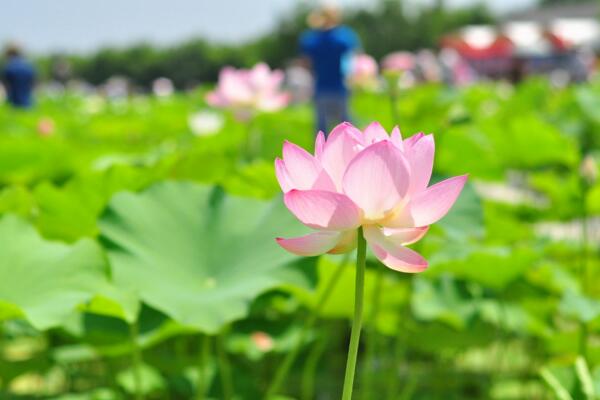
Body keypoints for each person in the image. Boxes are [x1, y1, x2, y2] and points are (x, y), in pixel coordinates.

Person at [300, 6, 359, 134]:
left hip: (321, 87)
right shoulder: (344, 36)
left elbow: (306, 63)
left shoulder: (310, 39)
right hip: (340, 86)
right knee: (346, 127)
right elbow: (353, 59)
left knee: (322, 130)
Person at [2, 44, 36, 108]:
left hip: (14, 103)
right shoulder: (29, 66)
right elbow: (33, 84)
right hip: (29, 103)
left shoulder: (8, 67)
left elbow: (6, 86)